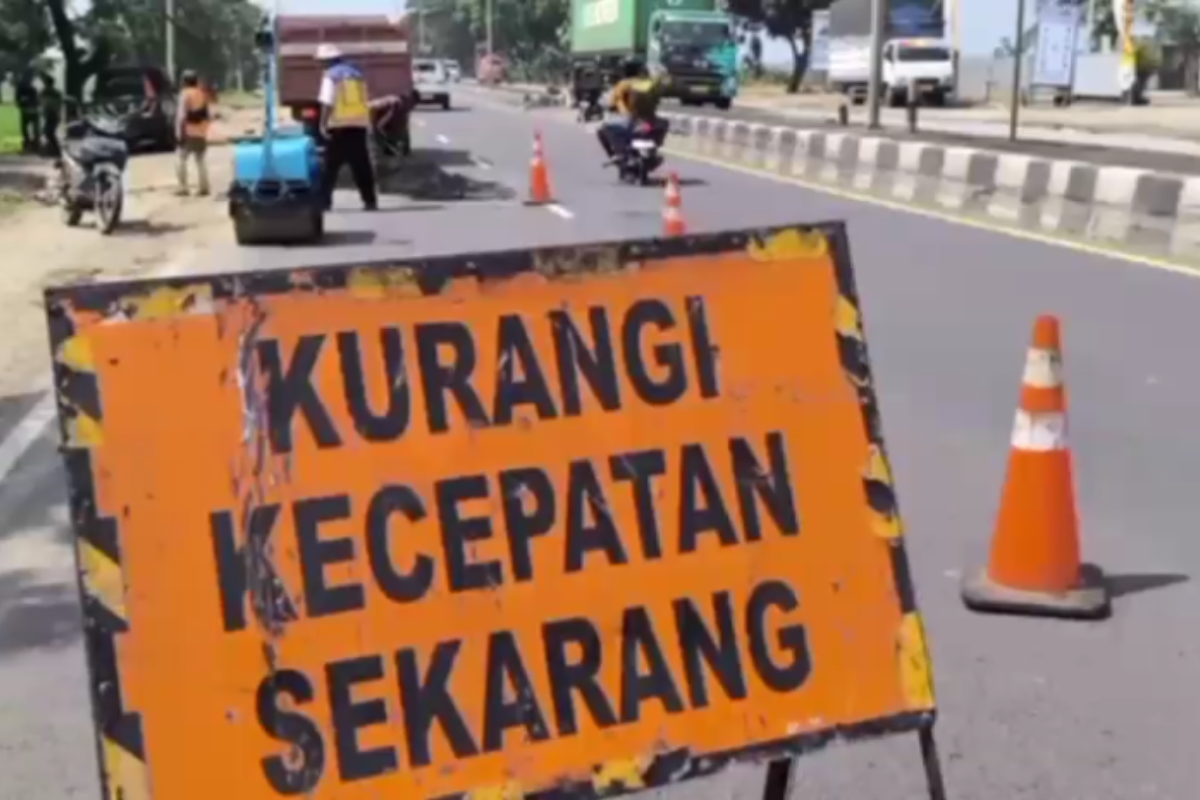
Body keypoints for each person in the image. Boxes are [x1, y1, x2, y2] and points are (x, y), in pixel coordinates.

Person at [315, 43, 378, 211]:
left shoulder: (330, 76)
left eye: (321, 61)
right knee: (362, 166)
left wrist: (322, 124)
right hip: (358, 125)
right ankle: (370, 201)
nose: (320, 65)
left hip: (338, 127)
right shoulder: (357, 74)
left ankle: (324, 202)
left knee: (330, 168)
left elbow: (327, 102)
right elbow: (365, 99)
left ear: (327, 61)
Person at [597, 58, 667, 164]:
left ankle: (617, 155)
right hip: (647, 121)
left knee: (603, 130)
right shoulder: (648, 83)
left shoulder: (622, 84)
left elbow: (610, 102)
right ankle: (651, 153)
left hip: (629, 121)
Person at [175, 69, 212, 196]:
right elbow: (207, 114)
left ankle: (183, 187)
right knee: (200, 160)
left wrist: (180, 134)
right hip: (201, 131)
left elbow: (182, 116)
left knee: (181, 158)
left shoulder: (185, 94)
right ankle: (204, 187)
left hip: (188, 131)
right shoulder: (201, 93)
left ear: (185, 81)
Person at [39, 75, 63, 158]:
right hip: (53, 114)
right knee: (48, 133)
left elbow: (44, 102)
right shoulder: (56, 93)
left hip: (51, 114)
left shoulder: (46, 92)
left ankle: (56, 150)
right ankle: (52, 150)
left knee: (49, 133)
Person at [15, 73, 40, 154]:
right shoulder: (32, 89)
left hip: (26, 109)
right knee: (33, 128)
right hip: (32, 110)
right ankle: (34, 144)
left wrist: (21, 103)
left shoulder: (21, 88)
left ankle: (28, 144)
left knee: (25, 128)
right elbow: (36, 100)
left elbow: (18, 99)